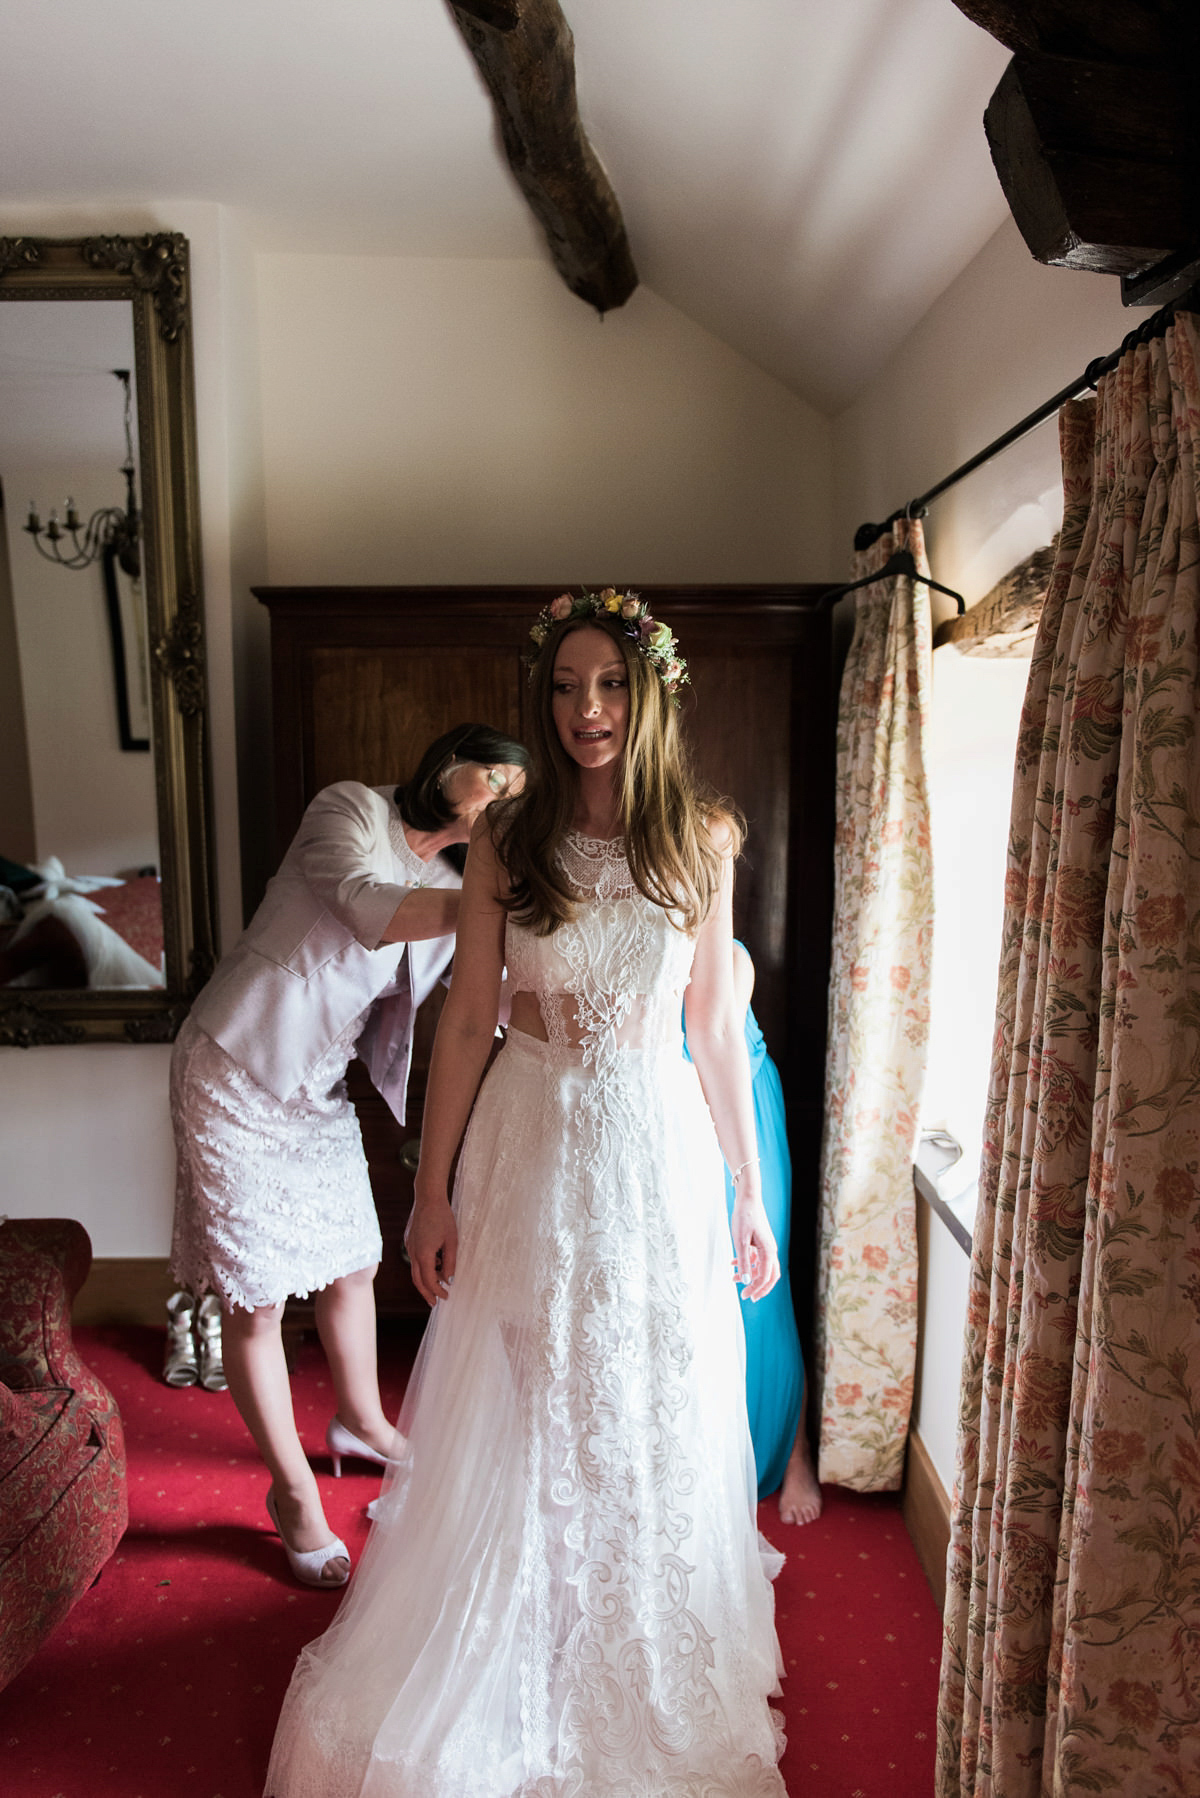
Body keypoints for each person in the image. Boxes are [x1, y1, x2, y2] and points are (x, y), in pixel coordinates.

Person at [266, 590, 788, 1798]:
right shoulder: (511, 836)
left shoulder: (700, 837)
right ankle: (519, 1641)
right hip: (532, 1134)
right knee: (535, 1391)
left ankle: (639, 1649)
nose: (586, 709)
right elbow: (463, 1022)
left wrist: (747, 1192)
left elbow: (714, 1024)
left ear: (647, 690)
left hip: (656, 1149)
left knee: (644, 1389)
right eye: (564, 687)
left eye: (607, 684)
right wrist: (429, 1192)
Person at [169, 723, 528, 1589]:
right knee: (255, 1299)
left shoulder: (456, 880)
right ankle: (291, 1494)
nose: (508, 801)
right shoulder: (349, 811)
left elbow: (486, 986)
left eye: (522, 793)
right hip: (233, 1065)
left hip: (319, 1089)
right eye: (499, 780)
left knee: (352, 1267)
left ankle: (361, 1421)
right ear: (450, 769)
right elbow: (369, 906)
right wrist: (496, 897)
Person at [687, 941, 823, 1525]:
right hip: (669, 1121)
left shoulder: (731, 958)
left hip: (742, 1118)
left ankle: (797, 1455)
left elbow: (718, 1050)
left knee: (760, 1284)